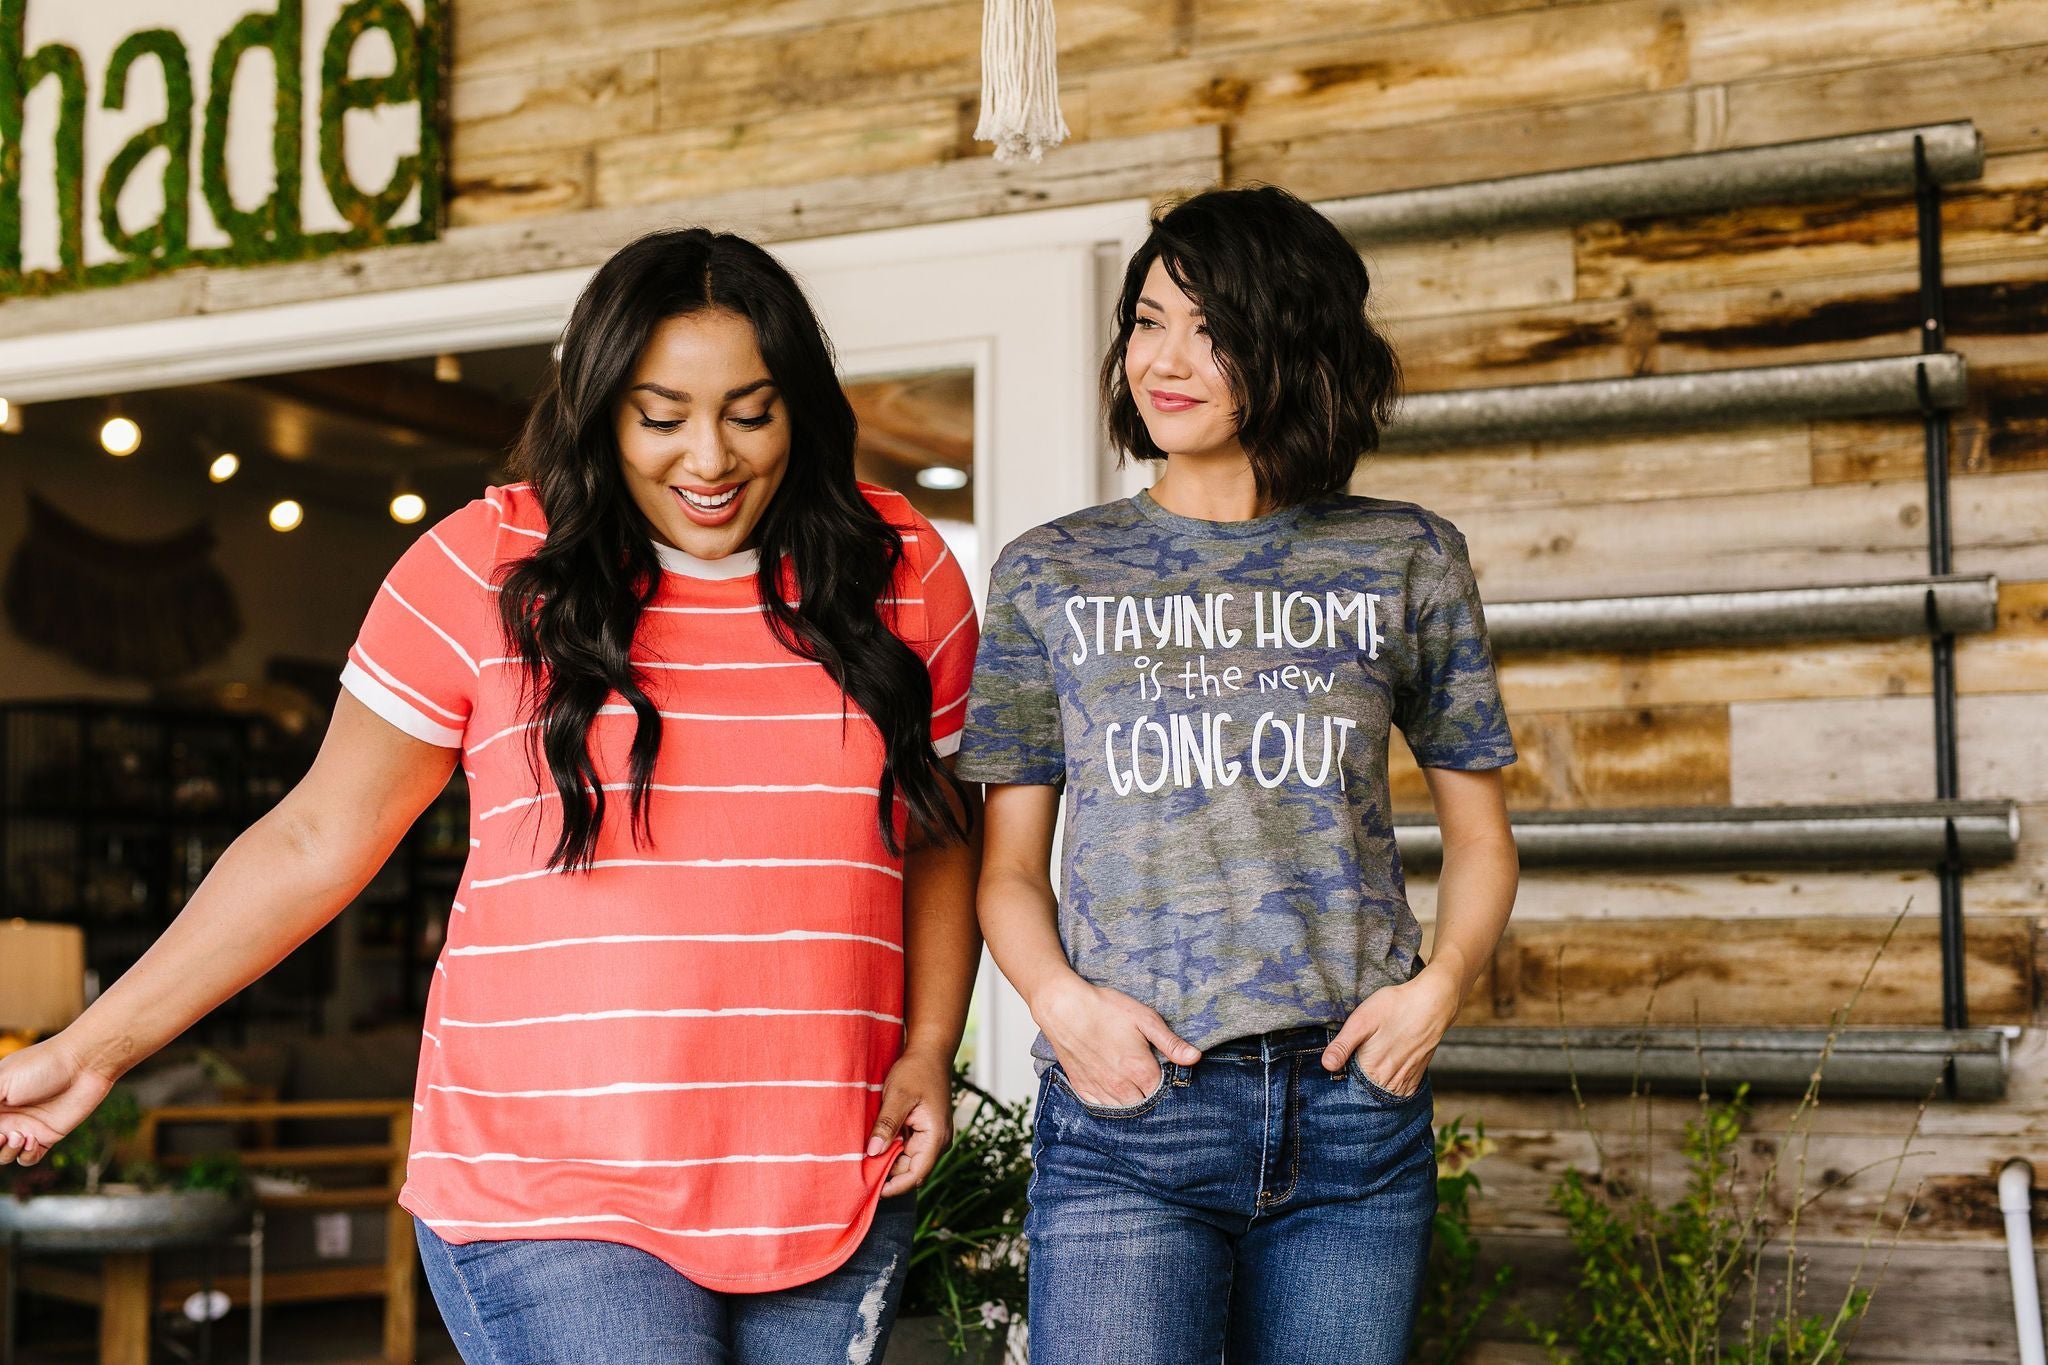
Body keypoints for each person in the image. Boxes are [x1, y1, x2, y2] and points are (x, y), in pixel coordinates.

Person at [0, 228, 982, 1364]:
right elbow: (319, 835)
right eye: (660, 417)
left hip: (822, 1164)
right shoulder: (483, 563)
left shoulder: (899, 570)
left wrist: (929, 1043)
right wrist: (91, 1052)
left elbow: (935, 830)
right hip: (548, 1179)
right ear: (599, 406)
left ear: (800, 406)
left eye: (749, 412)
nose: (708, 458)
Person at [958, 186, 1520, 1364]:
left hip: (1350, 1110)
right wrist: (1061, 1006)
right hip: (1131, 1113)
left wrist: (1440, 988)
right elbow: (1007, 867)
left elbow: (1477, 834)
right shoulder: (1050, 572)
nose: (1166, 361)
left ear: (1294, 345)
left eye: (1210, 330)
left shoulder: (1402, 556)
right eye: (1148, 321)